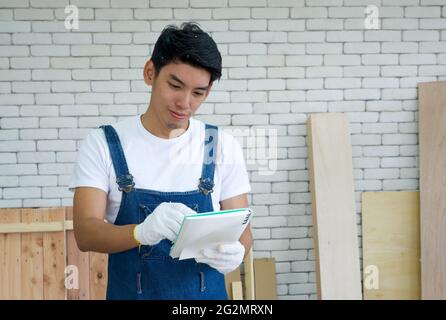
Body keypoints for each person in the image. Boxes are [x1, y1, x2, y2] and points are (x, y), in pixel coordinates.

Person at [69, 22, 252, 300]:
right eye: (175, 85)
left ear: (208, 92)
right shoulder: (104, 144)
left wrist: (236, 252)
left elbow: (243, 234)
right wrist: (141, 232)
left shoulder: (220, 145)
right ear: (150, 72)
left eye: (198, 93)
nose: (184, 102)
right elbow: (86, 232)